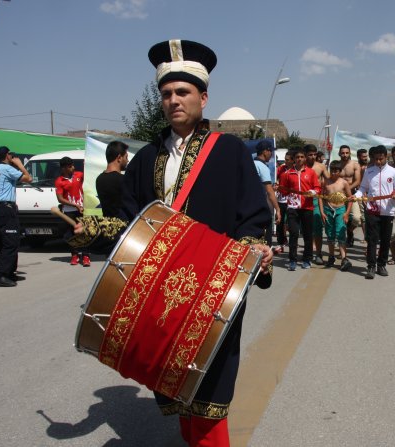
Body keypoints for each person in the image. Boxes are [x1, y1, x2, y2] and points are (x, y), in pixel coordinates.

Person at [74, 39, 273, 447]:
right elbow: (131, 222)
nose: (173, 101)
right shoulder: (146, 158)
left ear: (203, 97)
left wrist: (256, 248)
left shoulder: (230, 151)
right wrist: (93, 228)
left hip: (212, 290)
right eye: (166, 94)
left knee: (210, 390)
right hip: (158, 291)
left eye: (182, 92)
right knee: (174, 383)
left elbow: (253, 213)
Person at [355, 145, 395, 279]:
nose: (378, 161)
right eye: (376, 159)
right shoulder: (369, 172)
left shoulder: (393, 172)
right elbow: (363, 188)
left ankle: (382, 264)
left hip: (388, 211)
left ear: (386, 156)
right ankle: (371, 266)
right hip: (372, 210)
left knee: (386, 240)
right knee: (372, 239)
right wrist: (356, 196)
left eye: (381, 159)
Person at [0, 146, 32, 287]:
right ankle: (1, 275)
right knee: (11, 242)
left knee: (7, 241)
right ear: (7, 156)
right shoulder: (7, 169)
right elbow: (28, 178)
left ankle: (9, 272)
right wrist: (19, 164)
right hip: (6, 208)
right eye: (10, 156)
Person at [278, 148, 320, 270]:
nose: (300, 159)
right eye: (297, 157)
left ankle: (307, 259)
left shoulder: (311, 173)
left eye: (302, 157)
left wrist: (312, 191)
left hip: (307, 207)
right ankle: (292, 260)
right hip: (292, 207)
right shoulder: (287, 174)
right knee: (294, 233)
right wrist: (280, 189)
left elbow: (317, 188)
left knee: (307, 235)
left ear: (305, 158)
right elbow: (284, 192)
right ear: (293, 159)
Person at [55, 156, 90, 267]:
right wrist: (74, 205)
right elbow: (60, 199)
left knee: (84, 232)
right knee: (71, 234)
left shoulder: (79, 175)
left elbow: (90, 178)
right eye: (70, 166)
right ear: (64, 168)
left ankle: (85, 255)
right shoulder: (59, 181)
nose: (73, 168)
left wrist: (88, 165)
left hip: (82, 210)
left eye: (73, 165)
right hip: (69, 211)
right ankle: (74, 255)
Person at [318, 160, 353, 271]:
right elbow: (320, 197)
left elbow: (350, 198)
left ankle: (344, 258)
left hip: (340, 210)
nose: (334, 173)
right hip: (328, 210)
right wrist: (322, 211)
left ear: (340, 171)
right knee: (330, 233)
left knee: (340, 233)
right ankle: (331, 256)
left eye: (336, 171)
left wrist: (347, 213)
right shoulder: (325, 182)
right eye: (332, 171)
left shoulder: (344, 183)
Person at [253, 140, 282, 247]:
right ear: (265, 151)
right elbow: (269, 192)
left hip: (249, 208)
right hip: (260, 209)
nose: (271, 154)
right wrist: (278, 209)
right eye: (271, 151)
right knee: (265, 241)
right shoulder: (262, 166)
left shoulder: (250, 164)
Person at [305, 144, 329, 265]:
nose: (313, 157)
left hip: (316, 200)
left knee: (318, 228)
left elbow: (330, 181)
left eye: (314, 154)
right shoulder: (299, 167)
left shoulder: (321, 167)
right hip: (302, 200)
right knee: (305, 229)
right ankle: (307, 253)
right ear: (305, 155)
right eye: (310, 154)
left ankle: (318, 253)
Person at [337, 145, 362, 247]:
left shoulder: (355, 165)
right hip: (340, 196)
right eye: (343, 153)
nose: (345, 155)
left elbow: (357, 181)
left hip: (352, 195)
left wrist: (347, 189)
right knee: (341, 218)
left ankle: (350, 231)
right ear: (339, 153)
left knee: (356, 218)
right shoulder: (336, 165)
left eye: (347, 153)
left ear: (350, 153)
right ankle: (341, 241)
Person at [96, 141, 129, 218]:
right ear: (119, 158)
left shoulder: (99, 179)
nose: (127, 160)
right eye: (126, 157)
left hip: (107, 225)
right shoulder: (123, 180)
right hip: (123, 226)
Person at [273, 151, 294, 250]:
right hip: (281, 199)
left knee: (291, 223)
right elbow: (274, 178)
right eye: (285, 159)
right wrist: (275, 185)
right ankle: (281, 241)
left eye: (287, 160)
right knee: (279, 221)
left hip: (292, 201)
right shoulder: (281, 168)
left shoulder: (296, 170)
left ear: (292, 160)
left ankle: (293, 242)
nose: (285, 161)